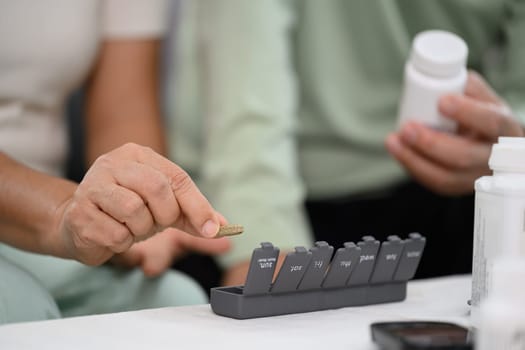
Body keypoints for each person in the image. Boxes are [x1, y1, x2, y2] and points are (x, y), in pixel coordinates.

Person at [166, 0, 525, 286]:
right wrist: (266, 246)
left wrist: (511, 153)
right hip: (264, 199)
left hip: (464, 197)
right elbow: (245, 101)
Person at [0, 0, 230, 324]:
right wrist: (59, 212)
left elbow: (122, 110)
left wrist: (136, 202)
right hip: (36, 208)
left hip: (42, 216)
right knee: (24, 309)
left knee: (174, 306)